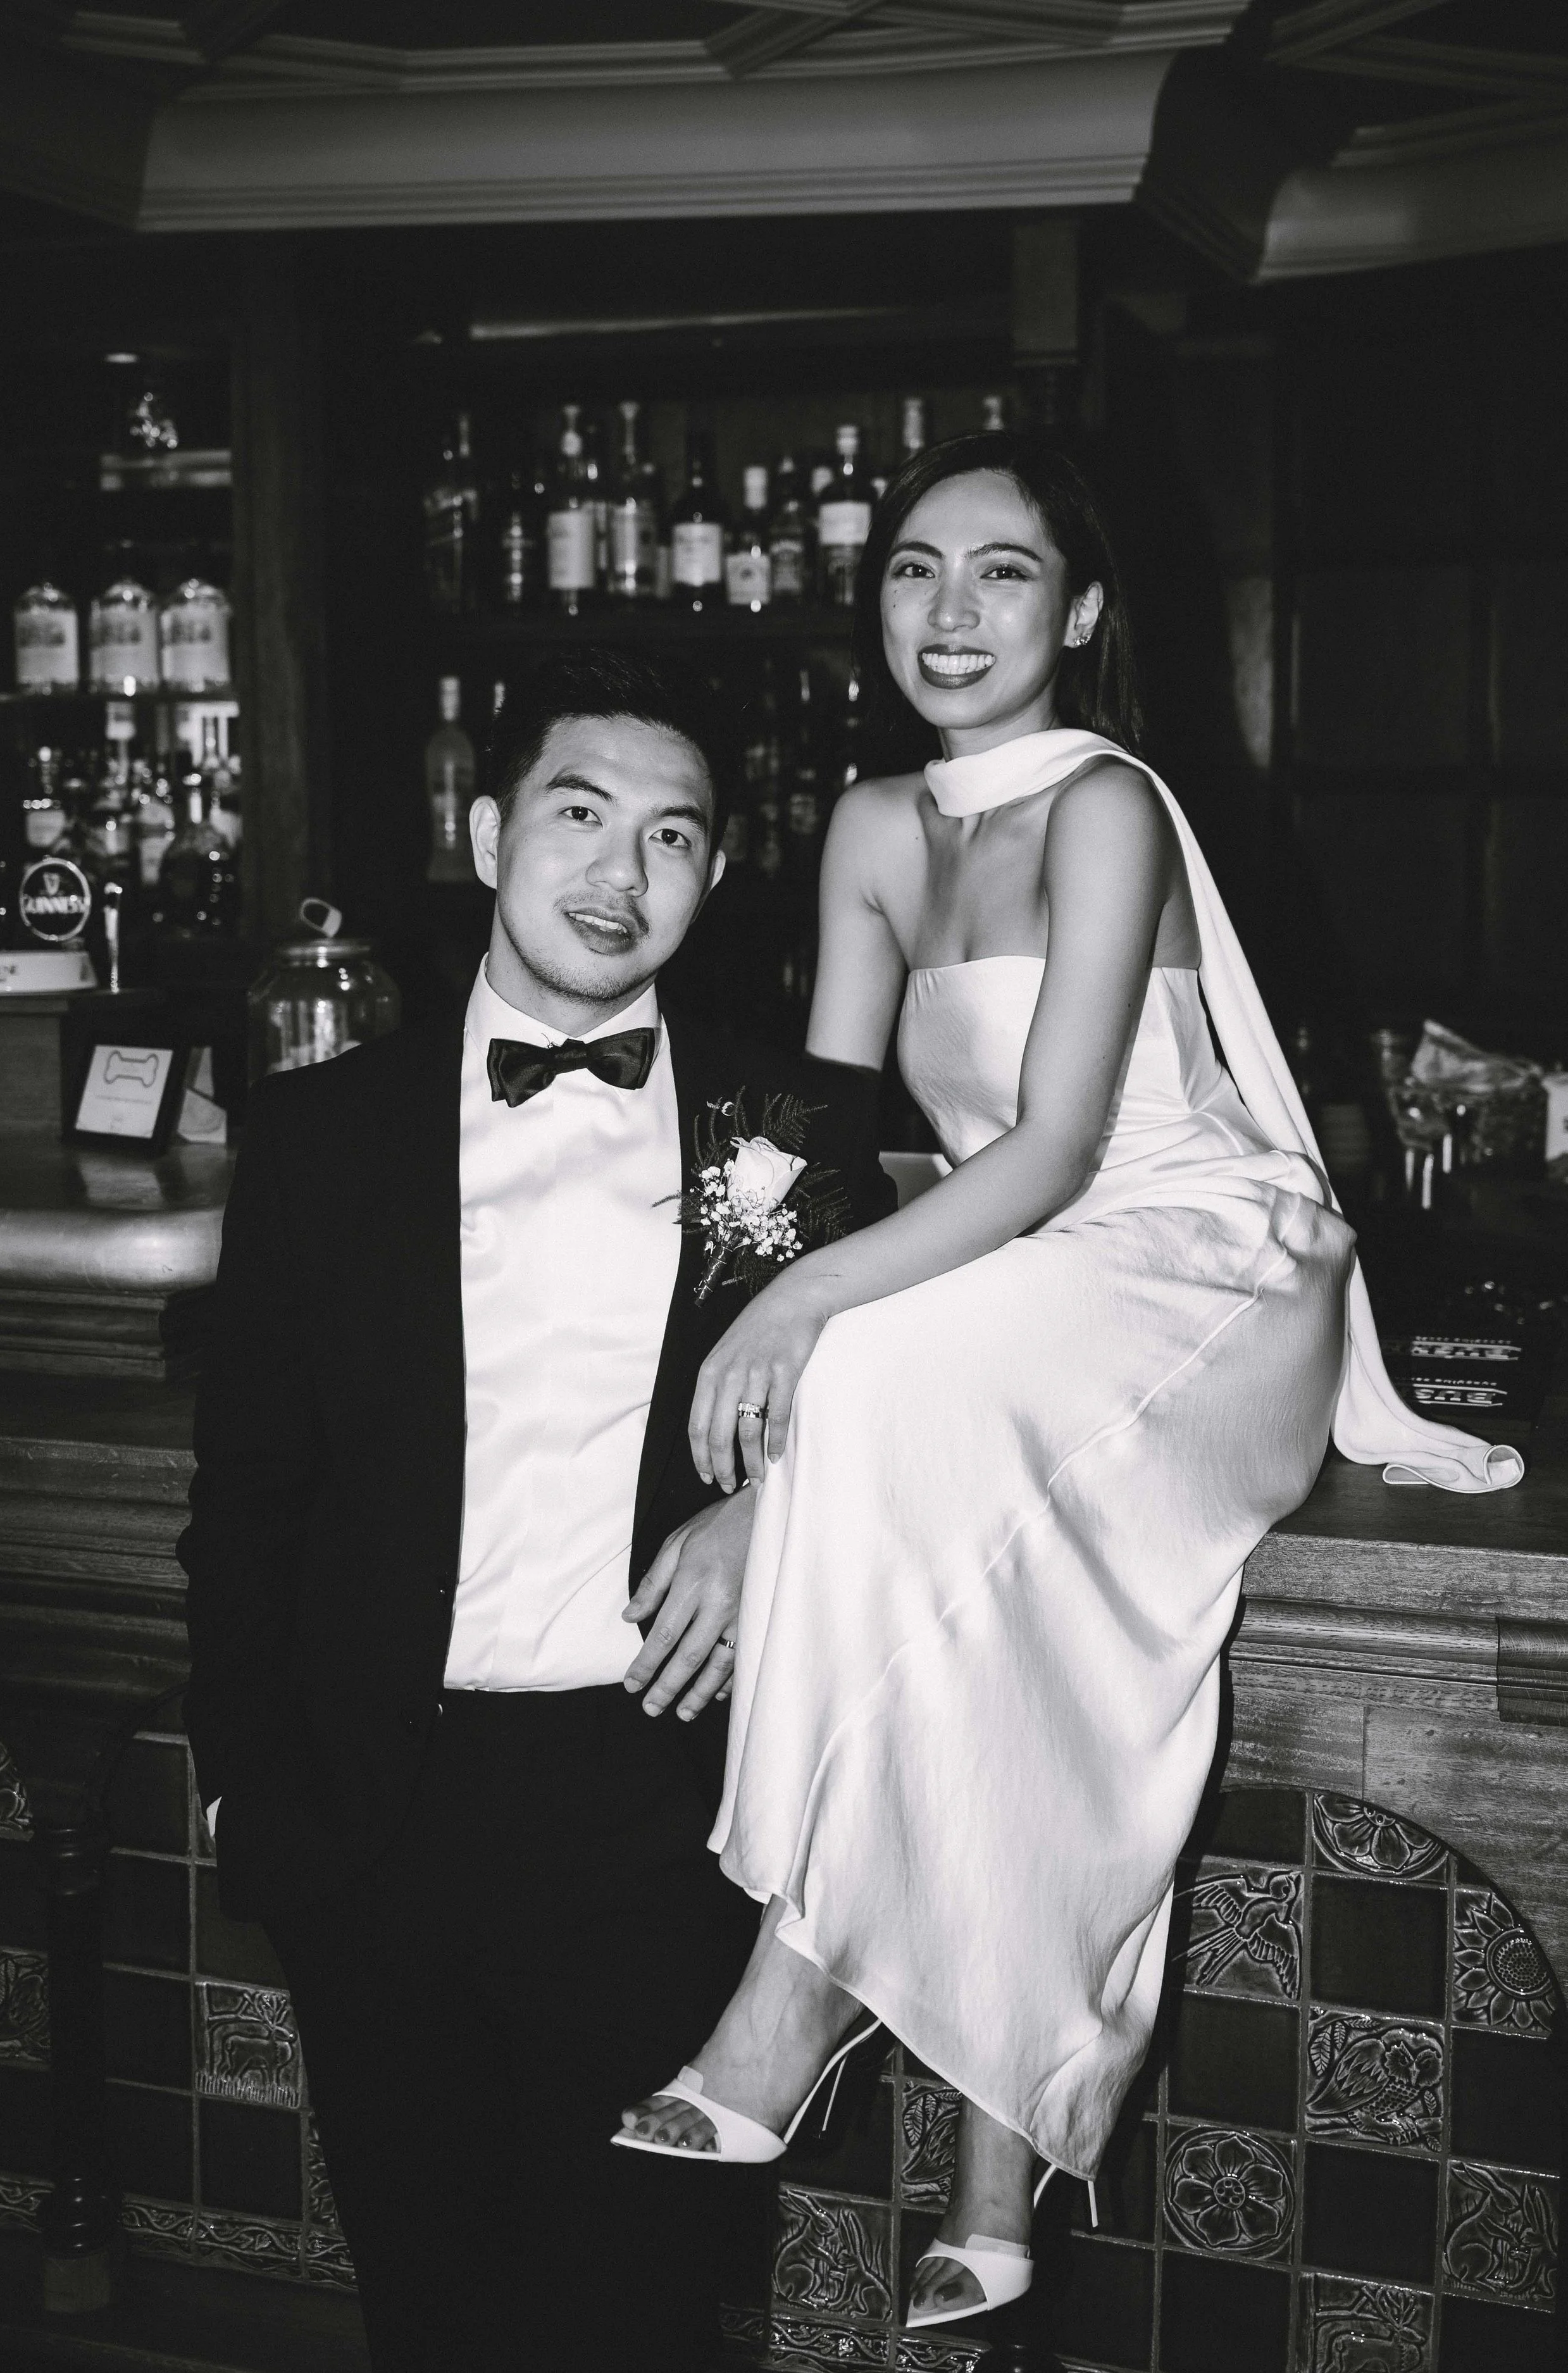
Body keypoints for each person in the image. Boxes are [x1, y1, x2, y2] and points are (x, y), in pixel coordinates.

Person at [615, 434, 1522, 2328]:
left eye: (1003, 575)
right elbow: (834, 1135)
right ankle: (994, 2162)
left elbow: (1045, 1150)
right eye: (912, 573)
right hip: (1019, 1280)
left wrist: (796, 1335)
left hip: (1203, 1262)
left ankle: (789, 1996)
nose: (948, 616)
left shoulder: (1106, 802)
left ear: (1081, 613)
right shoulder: (872, 826)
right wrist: (762, 1404)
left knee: (879, 1382)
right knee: (986, 1590)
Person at [179, 645, 892, 2373]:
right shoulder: (318, 1133)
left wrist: (768, 1507)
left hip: (657, 1817)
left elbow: (923, 1429)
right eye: (579, 816)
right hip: (381, 1815)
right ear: (489, 832)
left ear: (712, 877)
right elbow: (250, 1506)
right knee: (429, 2314)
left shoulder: (801, 1130)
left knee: (633, 2321)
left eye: (670, 837)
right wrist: (253, 1807)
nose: (618, 874)